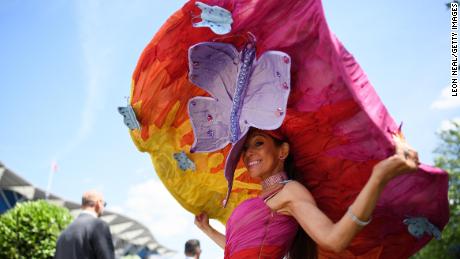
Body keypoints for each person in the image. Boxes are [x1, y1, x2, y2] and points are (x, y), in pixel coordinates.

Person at [194, 128, 420, 258]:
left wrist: (378, 177)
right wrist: (208, 229)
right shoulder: (262, 199)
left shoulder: (289, 191)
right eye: (244, 149)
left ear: (283, 151)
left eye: (258, 143)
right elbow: (238, 250)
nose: (248, 153)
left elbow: (333, 240)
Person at [55, 190, 114, 259]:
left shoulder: (63, 233)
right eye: (104, 204)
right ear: (98, 203)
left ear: (82, 205)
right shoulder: (99, 226)